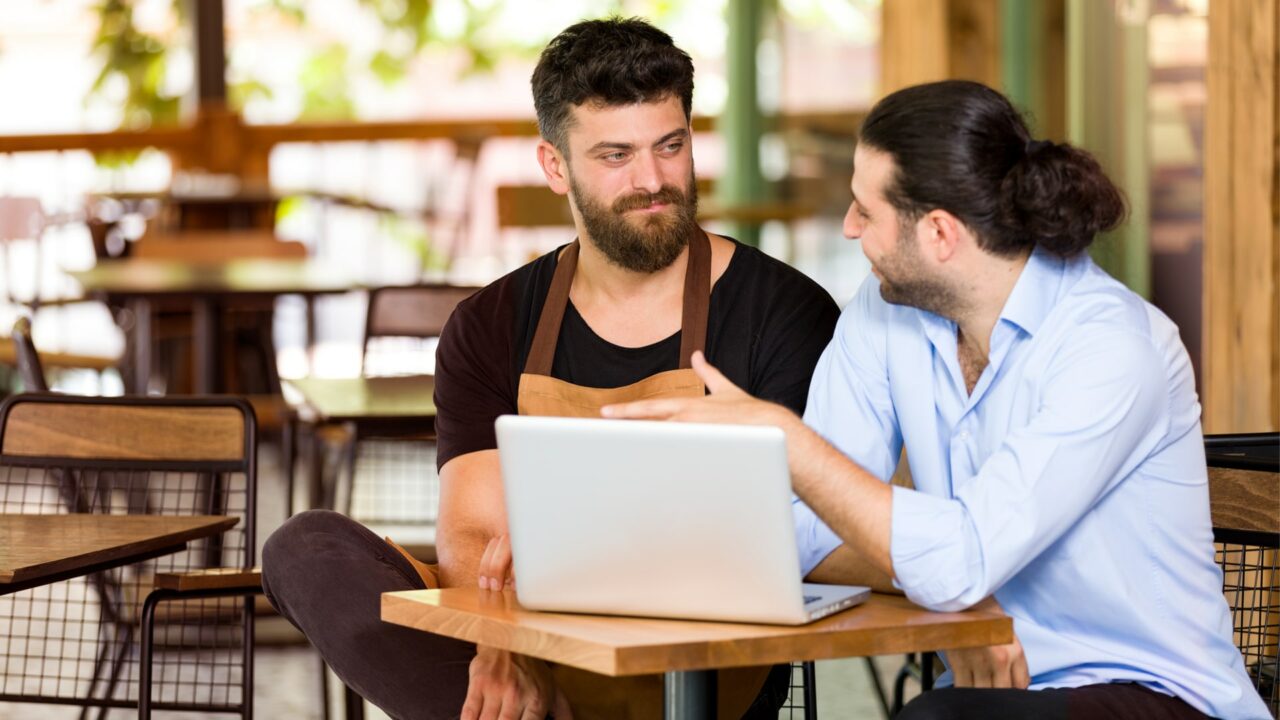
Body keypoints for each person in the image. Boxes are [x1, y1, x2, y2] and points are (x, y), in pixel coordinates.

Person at [603, 80, 1271, 720]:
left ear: (941, 234)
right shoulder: (885, 310)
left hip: (1157, 694)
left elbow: (950, 558)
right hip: (996, 698)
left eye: (867, 210)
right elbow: (800, 528)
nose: (846, 226)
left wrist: (783, 439)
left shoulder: (1114, 348)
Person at [260, 17, 840, 720]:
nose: (652, 181)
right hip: (529, 652)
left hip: (699, 663)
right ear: (555, 166)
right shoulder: (491, 324)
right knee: (305, 549)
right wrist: (505, 648)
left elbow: (784, 540)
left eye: (671, 146)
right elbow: (475, 537)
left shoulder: (785, 313)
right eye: (616, 155)